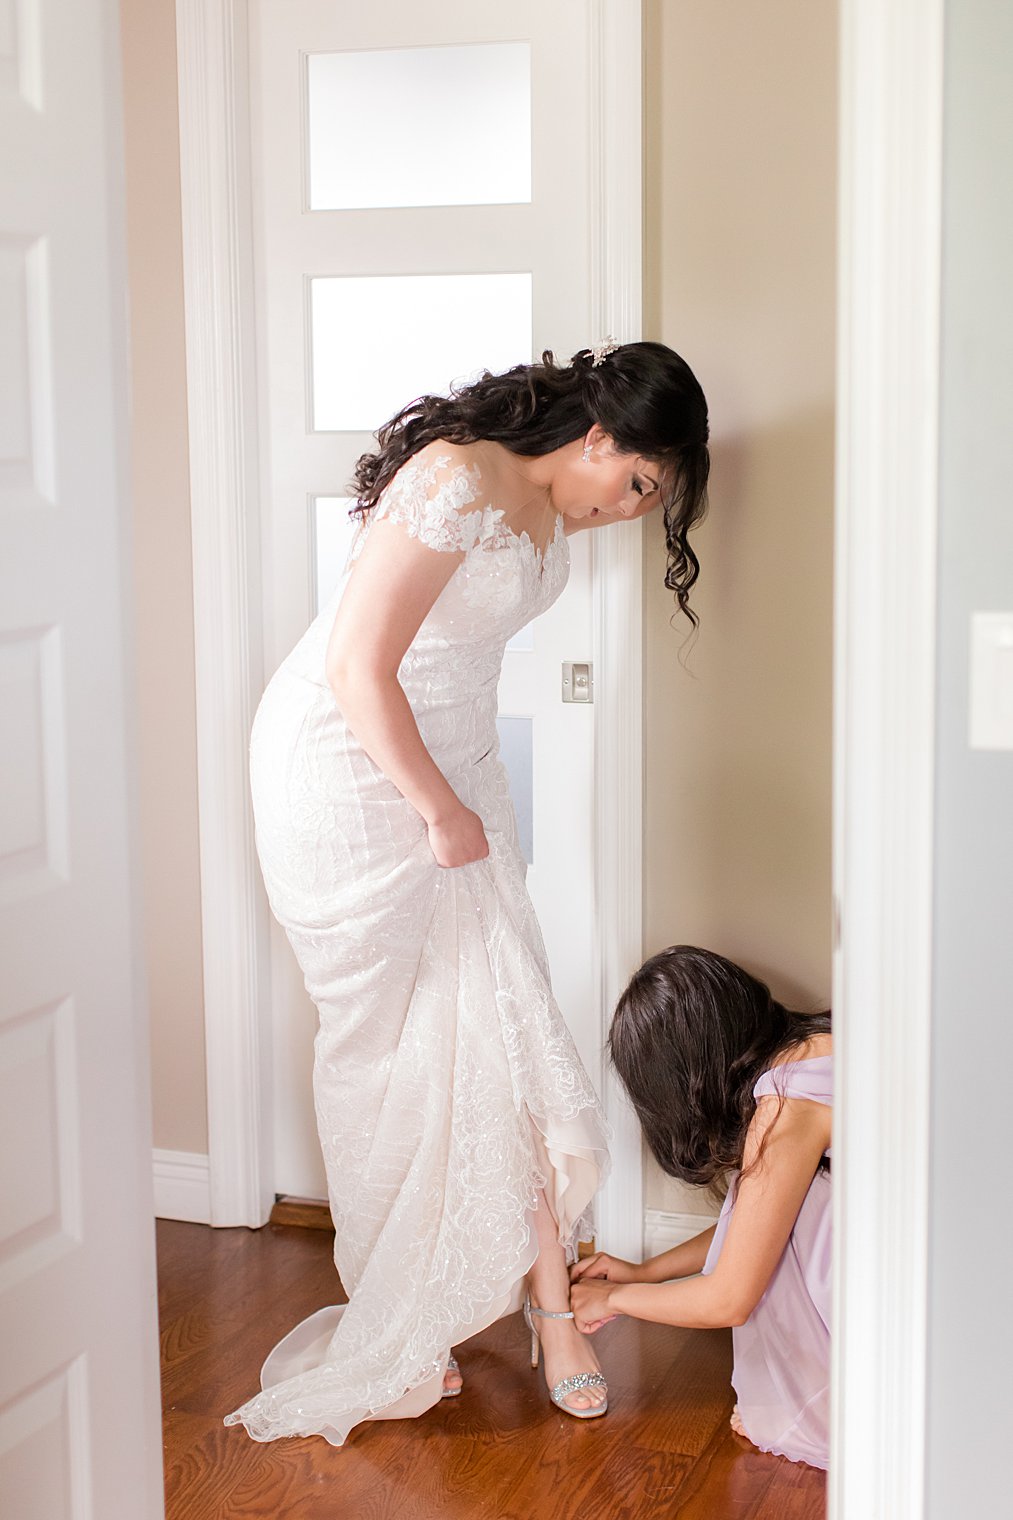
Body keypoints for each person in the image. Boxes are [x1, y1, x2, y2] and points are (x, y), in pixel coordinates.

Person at [222, 340, 710, 1445]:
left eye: (651, 501)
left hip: (452, 774)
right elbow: (356, 664)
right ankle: (410, 1310)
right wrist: (440, 809)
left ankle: (549, 1312)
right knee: (381, 1050)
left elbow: (462, 670)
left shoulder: (548, 509)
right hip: (345, 772)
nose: (629, 510)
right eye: (634, 482)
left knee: (499, 1029)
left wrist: (474, 804)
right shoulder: (454, 473)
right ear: (595, 434)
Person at [571, 945, 831, 1470]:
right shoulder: (813, 1048)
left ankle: (821, 1406)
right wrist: (646, 1272)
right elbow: (759, 1226)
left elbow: (728, 1299)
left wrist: (615, 1299)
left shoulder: (785, 1104)